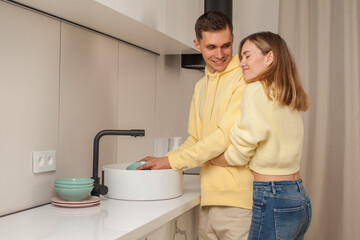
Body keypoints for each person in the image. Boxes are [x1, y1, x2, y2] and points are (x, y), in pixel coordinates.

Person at [138, 11, 253, 240]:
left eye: (226, 45)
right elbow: (195, 140)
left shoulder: (245, 77)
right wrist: (166, 160)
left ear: (233, 40)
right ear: (197, 44)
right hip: (208, 200)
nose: (220, 54)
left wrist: (172, 161)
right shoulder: (201, 86)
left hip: (240, 205)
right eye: (211, 47)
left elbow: (224, 137)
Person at [209, 31, 312, 240]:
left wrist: (213, 159)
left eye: (247, 56)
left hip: (273, 197)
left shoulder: (256, 91)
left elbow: (240, 151)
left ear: (270, 57)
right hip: (299, 197)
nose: (242, 63)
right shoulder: (287, 95)